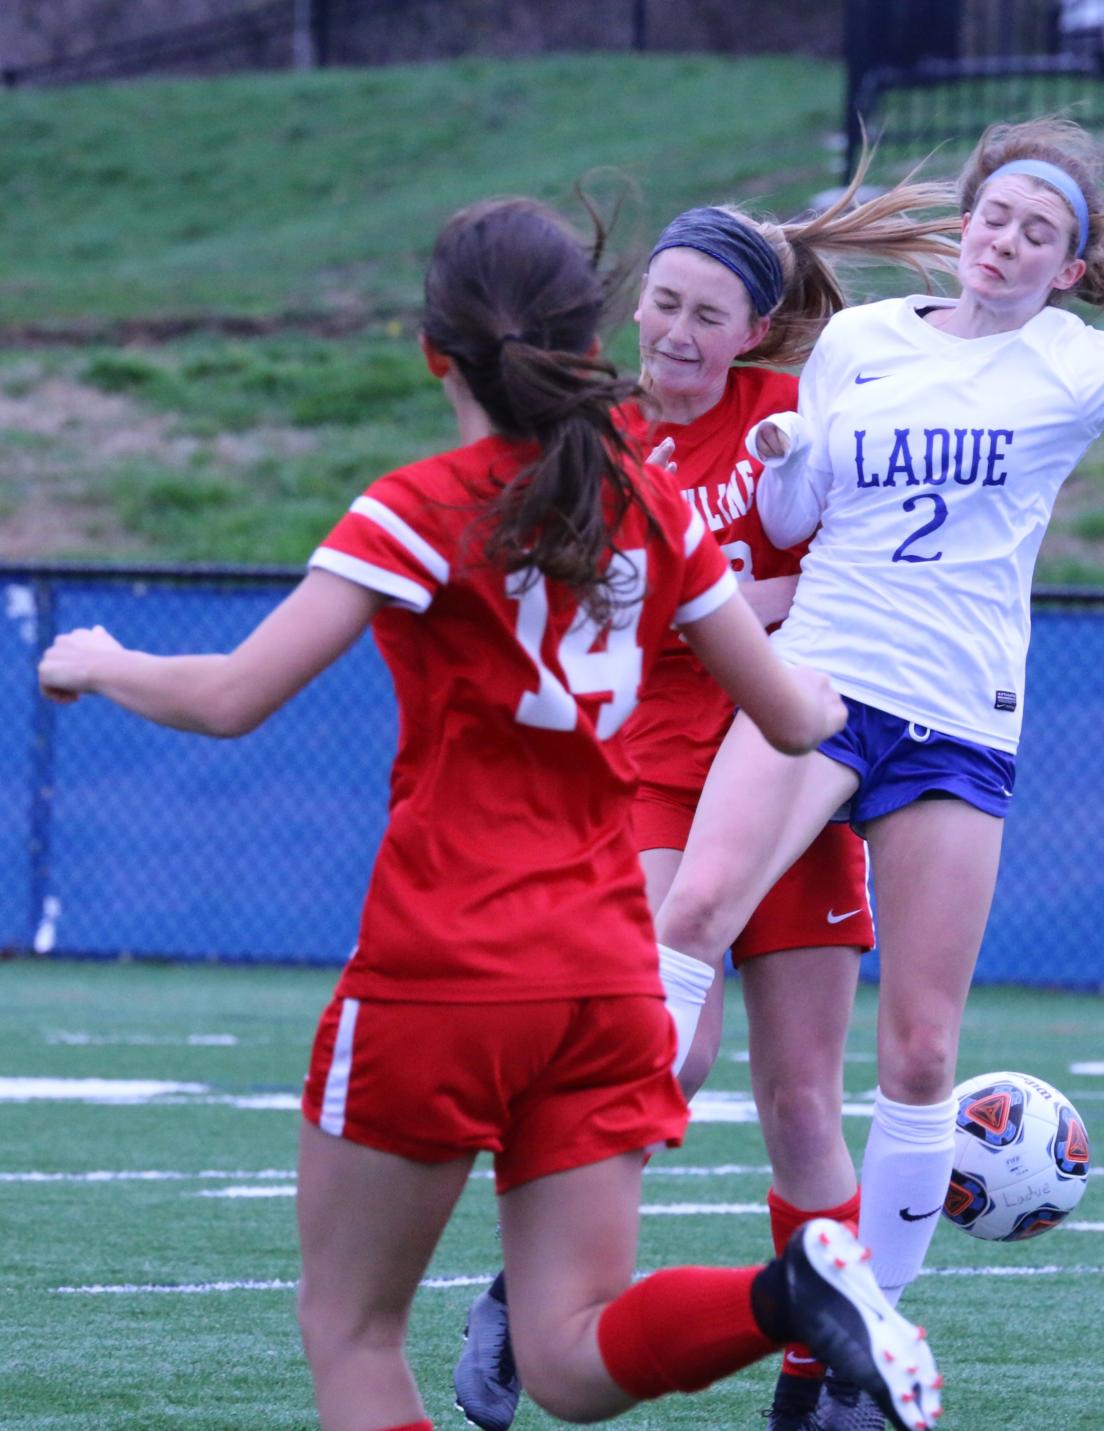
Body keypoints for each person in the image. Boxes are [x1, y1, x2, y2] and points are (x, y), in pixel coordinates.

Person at [36, 196, 944, 1431]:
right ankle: (785, 1295)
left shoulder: (418, 506)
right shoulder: (654, 502)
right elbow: (797, 721)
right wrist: (840, 679)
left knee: (351, 1332)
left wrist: (97, 660)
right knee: (570, 1362)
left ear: (433, 353)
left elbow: (234, 695)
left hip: (447, 965)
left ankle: (794, 1296)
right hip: (607, 975)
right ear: (594, 334)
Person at [650, 105, 1104, 1429]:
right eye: (997, 215)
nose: (1009, 240)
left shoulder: (1074, 362)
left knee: (922, 1044)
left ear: (1067, 265)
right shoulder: (855, 343)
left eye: (1040, 231)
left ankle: (858, 1351)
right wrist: (791, 452)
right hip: (821, 684)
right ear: (966, 226)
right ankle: (564, 1222)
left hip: (961, 718)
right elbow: (786, 519)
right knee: (691, 919)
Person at [452, 177, 960, 1431]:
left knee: (799, 1094)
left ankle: (824, 1367)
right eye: (661, 306)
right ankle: (533, 1286)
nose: (675, 332)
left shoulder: (799, 413)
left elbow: (870, 559)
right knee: (659, 1044)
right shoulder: (594, 435)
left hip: (800, 762)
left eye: (706, 314)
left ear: (755, 332)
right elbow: (565, 602)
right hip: (661, 766)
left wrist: (766, 614)